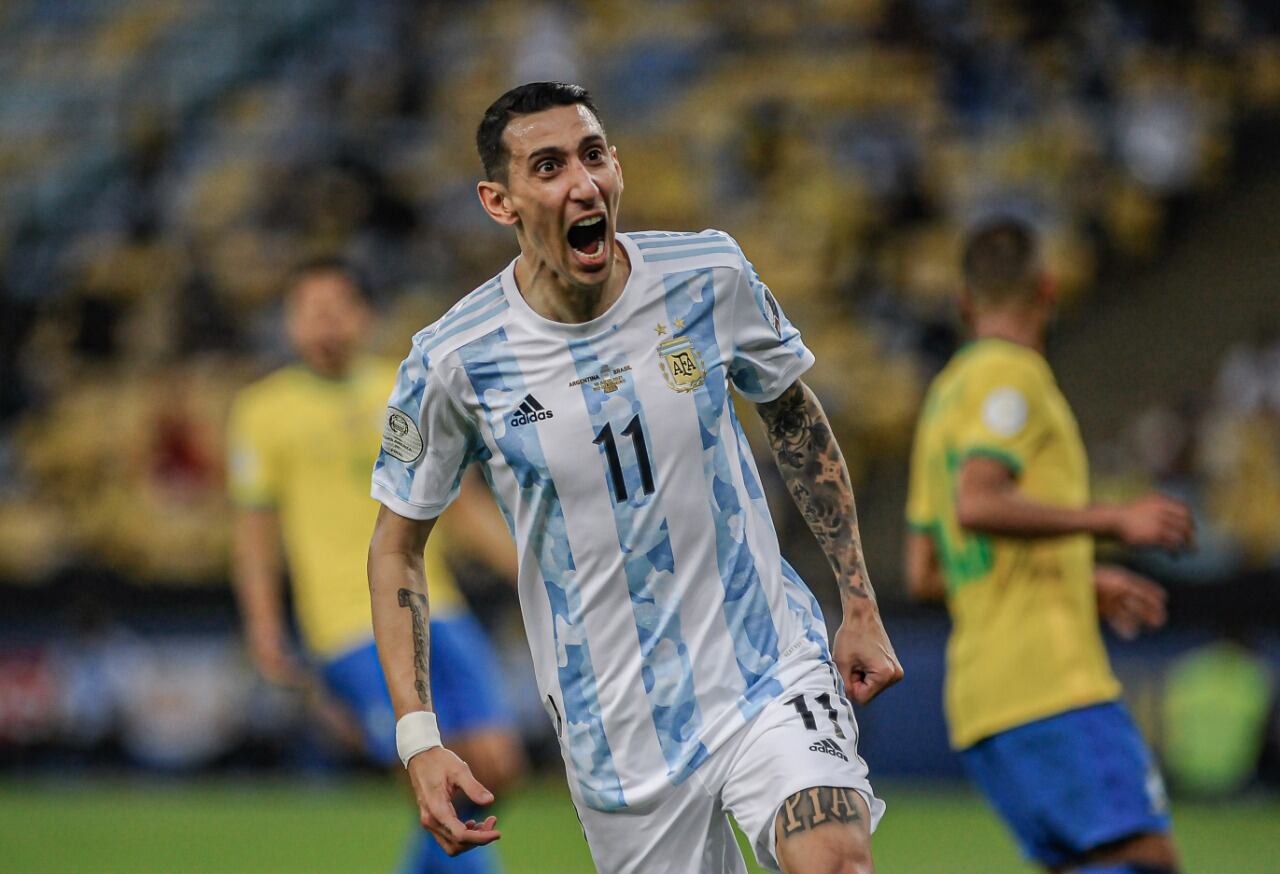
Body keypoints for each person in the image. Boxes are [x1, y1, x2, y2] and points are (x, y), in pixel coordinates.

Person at [367, 82, 903, 874]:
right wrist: (420, 738)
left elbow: (794, 421)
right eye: (548, 167)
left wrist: (858, 600)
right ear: (499, 201)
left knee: (835, 857)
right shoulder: (454, 361)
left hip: (766, 665)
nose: (582, 183)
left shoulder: (707, 277)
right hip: (615, 729)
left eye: (593, 155)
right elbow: (396, 549)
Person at [904, 218, 1196, 874]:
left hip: (980, 702)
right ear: (1048, 289)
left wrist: (1082, 580)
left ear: (964, 301)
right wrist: (1112, 520)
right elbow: (978, 501)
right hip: (1048, 682)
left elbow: (925, 572)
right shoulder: (1014, 379)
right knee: (1146, 856)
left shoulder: (942, 402)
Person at [228, 259, 525, 874]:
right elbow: (254, 537)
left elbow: (462, 504)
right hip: (345, 625)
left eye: (337, 309)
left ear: (364, 317)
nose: (324, 324)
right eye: (309, 312)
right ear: (290, 324)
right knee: (443, 775)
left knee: (500, 764)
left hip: (434, 604)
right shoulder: (263, 411)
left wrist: (531, 570)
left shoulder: (402, 389)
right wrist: (262, 629)